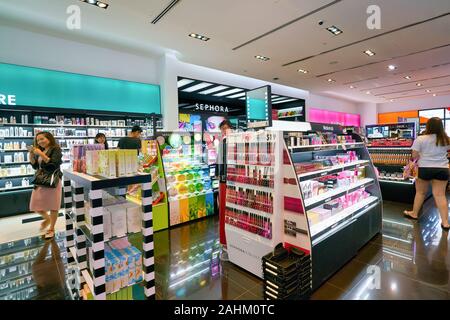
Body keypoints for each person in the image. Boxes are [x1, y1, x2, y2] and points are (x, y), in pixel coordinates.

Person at [404, 117, 450, 230]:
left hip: (425, 168)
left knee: (420, 192)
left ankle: (414, 213)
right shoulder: (446, 139)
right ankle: (445, 223)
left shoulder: (421, 139)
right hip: (442, 169)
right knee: (440, 195)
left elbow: (414, 156)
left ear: (428, 126)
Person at [29, 131, 63, 239]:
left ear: (49, 138)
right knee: (35, 205)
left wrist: (40, 154)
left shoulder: (55, 149)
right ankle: (47, 219)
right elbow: (35, 166)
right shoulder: (42, 150)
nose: (40, 141)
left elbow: (53, 164)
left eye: (42, 139)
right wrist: (31, 154)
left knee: (53, 206)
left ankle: (51, 228)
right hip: (41, 180)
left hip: (52, 180)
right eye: (38, 140)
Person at [218, 120, 233, 261]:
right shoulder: (223, 142)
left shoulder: (227, 142)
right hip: (225, 180)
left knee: (227, 211)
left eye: (226, 128)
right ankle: (225, 245)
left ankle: (227, 244)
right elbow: (220, 163)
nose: (224, 131)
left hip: (228, 180)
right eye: (222, 129)